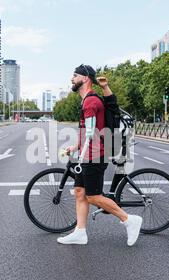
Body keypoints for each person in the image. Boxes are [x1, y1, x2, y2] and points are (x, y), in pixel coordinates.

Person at [57, 64, 143, 246]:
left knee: (93, 196)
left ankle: (129, 220)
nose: (71, 79)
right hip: (88, 152)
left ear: (85, 78)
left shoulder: (90, 102)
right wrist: (76, 147)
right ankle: (80, 233)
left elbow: (90, 133)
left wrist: (82, 155)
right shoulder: (88, 100)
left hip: (95, 155)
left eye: (75, 76)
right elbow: (89, 131)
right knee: (80, 192)